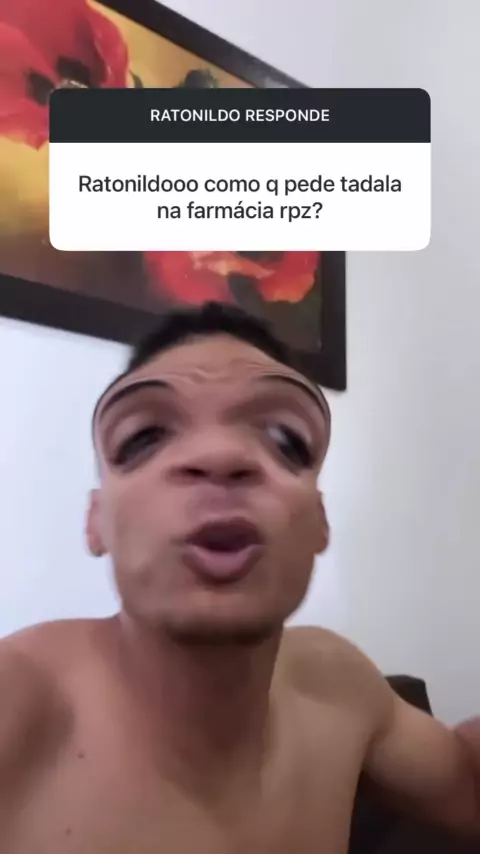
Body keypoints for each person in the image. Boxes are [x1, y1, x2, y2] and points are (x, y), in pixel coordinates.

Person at [1, 302, 479, 854]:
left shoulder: (340, 686)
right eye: (145, 434)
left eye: (284, 436)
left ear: (319, 522)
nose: (221, 455)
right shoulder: (17, 706)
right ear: (95, 520)